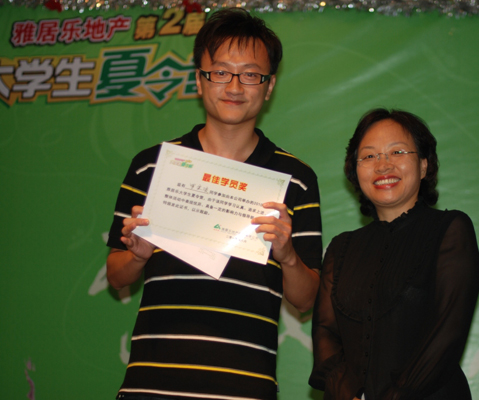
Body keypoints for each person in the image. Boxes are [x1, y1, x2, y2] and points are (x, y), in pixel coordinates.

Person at [106, 8, 322, 400]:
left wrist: (288, 255)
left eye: (250, 74)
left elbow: (306, 300)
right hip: (151, 385)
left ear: (269, 86)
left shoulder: (296, 179)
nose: (234, 86)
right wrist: (137, 256)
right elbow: (116, 276)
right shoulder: (153, 166)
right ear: (199, 80)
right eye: (220, 72)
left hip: (245, 387)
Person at [309, 109, 479, 400]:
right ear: (355, 172)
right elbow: (325, 331)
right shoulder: (342, 248)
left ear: (424, 165)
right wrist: (347, 392)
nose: (383, 165)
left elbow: (447, 332)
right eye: (369, 156)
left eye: (397, 152)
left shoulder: (450, 229)